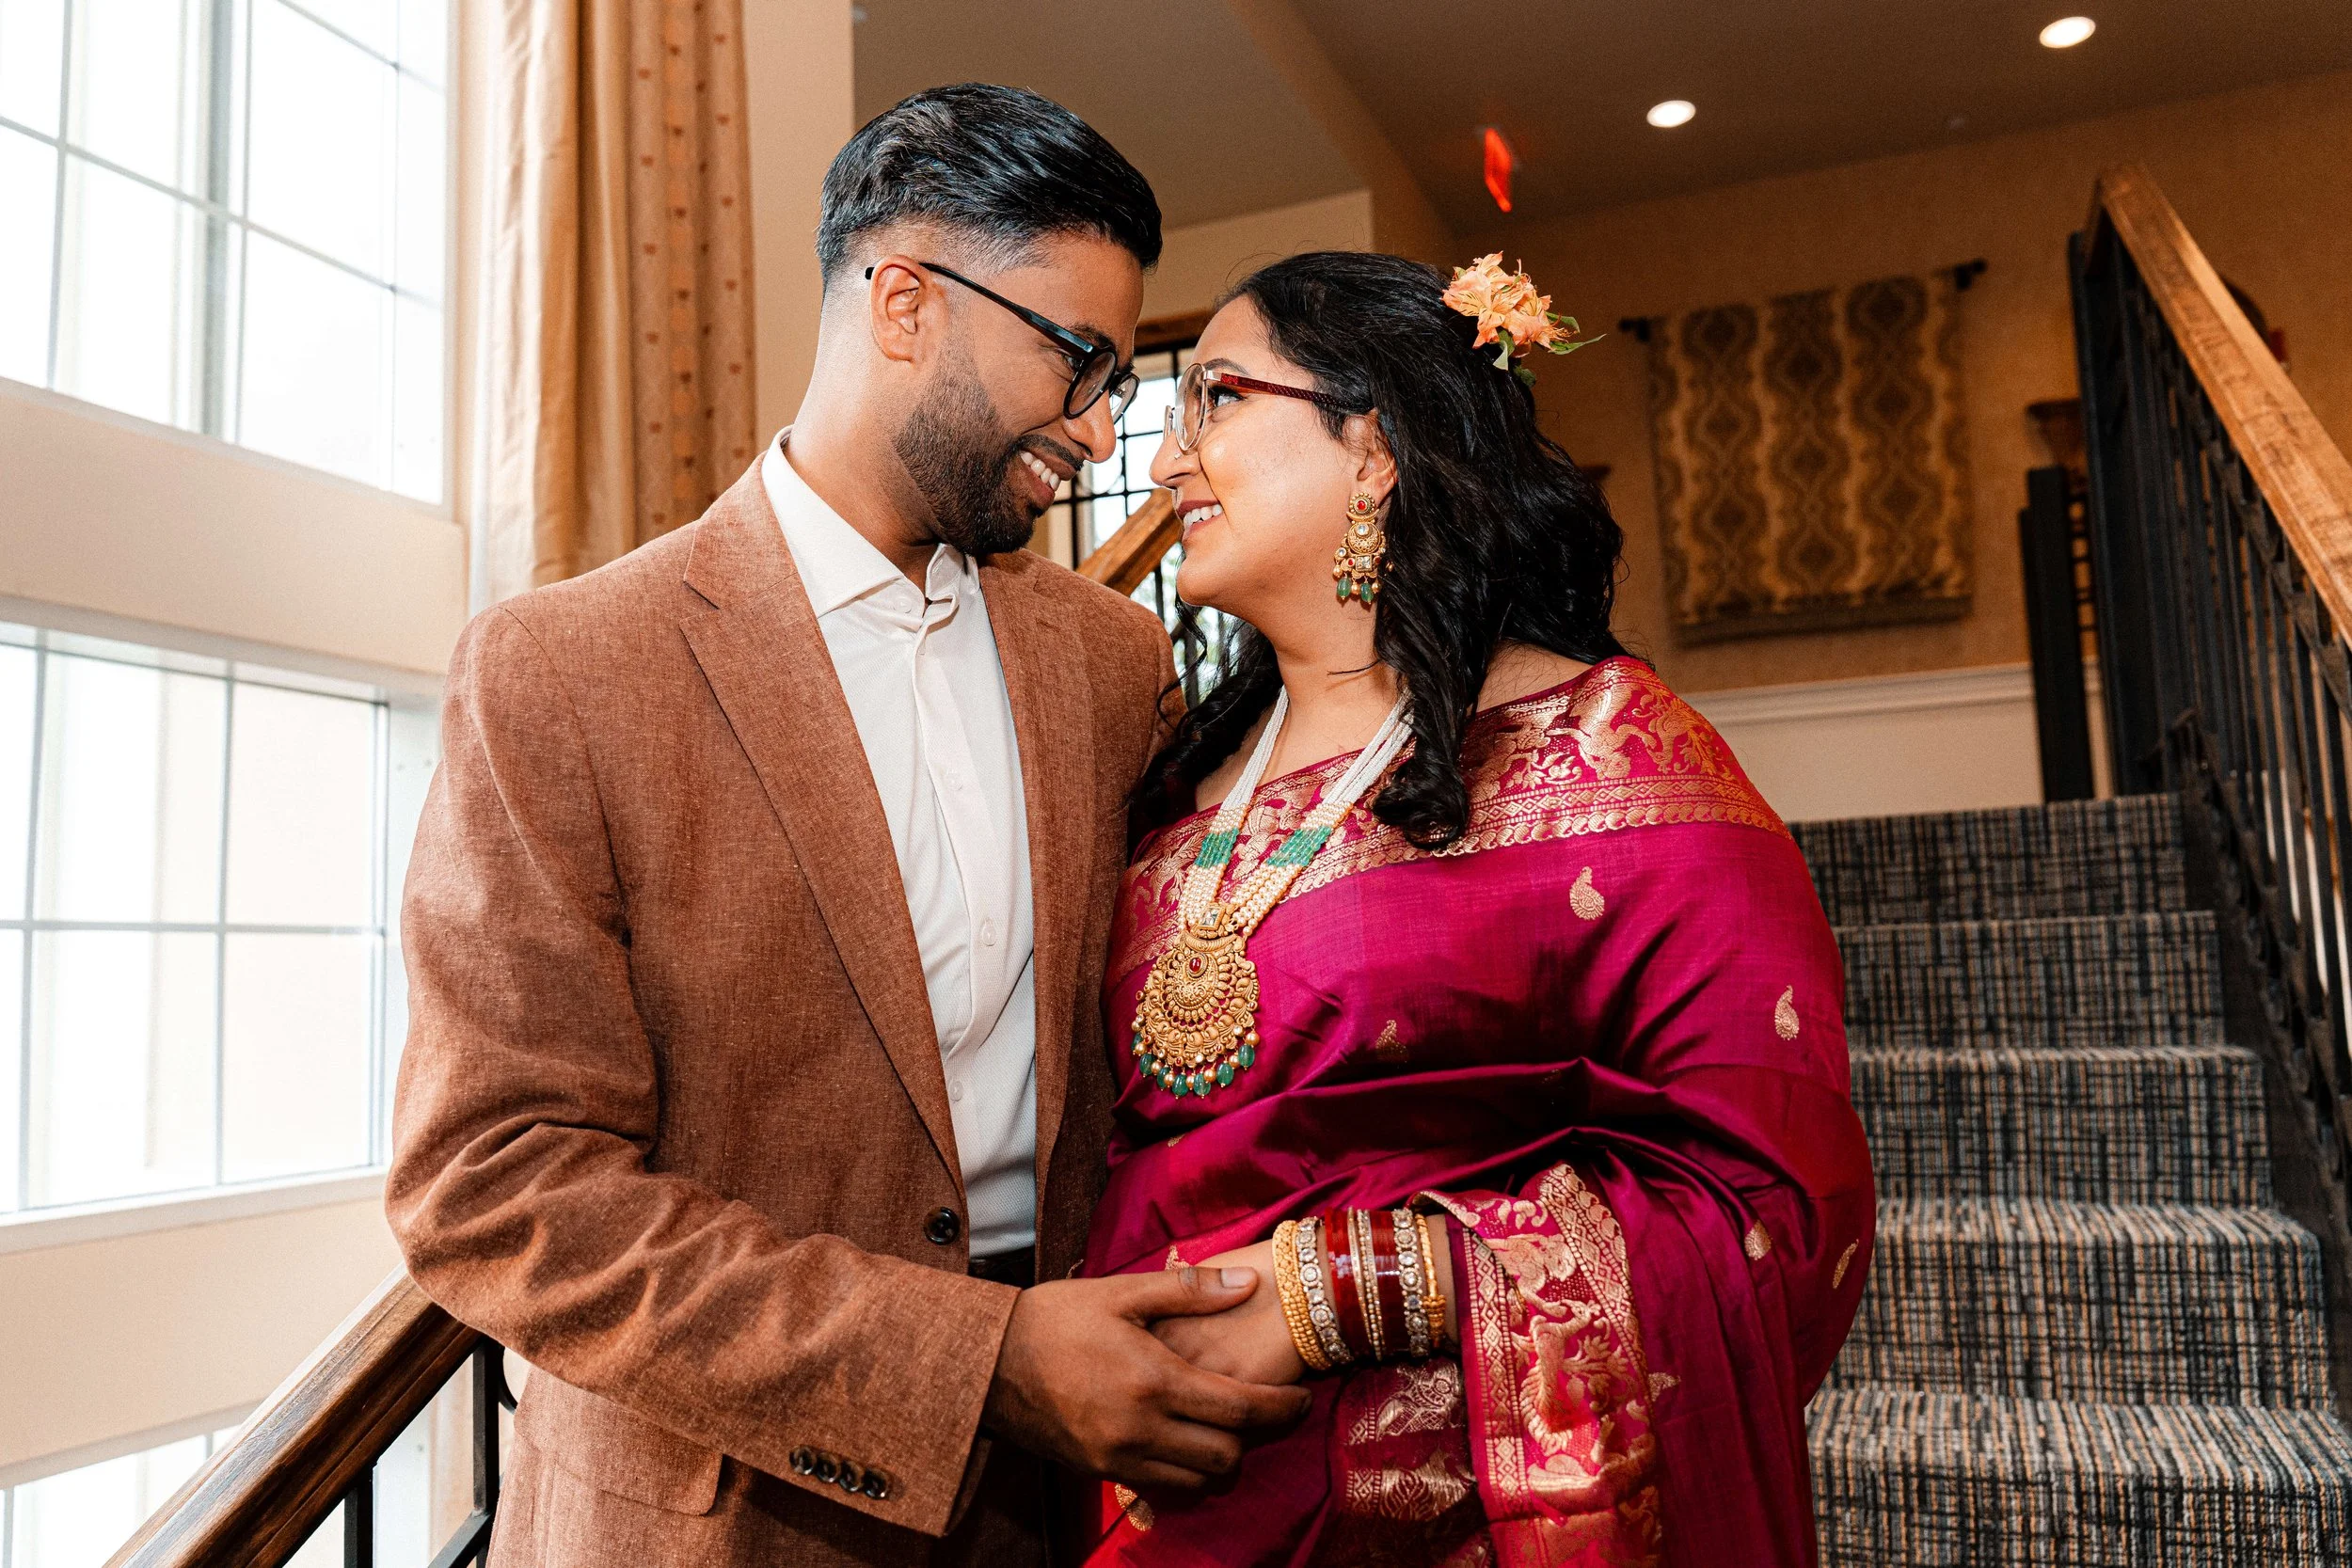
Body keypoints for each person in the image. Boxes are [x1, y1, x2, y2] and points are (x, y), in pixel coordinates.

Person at [384, 85, 1310, 1568]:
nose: (1098, 426)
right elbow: (493, 1186)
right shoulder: (559, 672)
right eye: (1075, 359)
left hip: (1052, 1507)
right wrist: (975, 1362)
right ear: (903, 304)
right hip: (713, 1521)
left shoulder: (1111, 661)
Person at [1077, 250, 1874, 1567]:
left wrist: (1350, 1290)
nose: (1165, 461)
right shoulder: (1167, 781)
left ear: (1375, 443)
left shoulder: (1616, 765)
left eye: (1215, 396)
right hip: (1135, 1490)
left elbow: (1770, 1205)